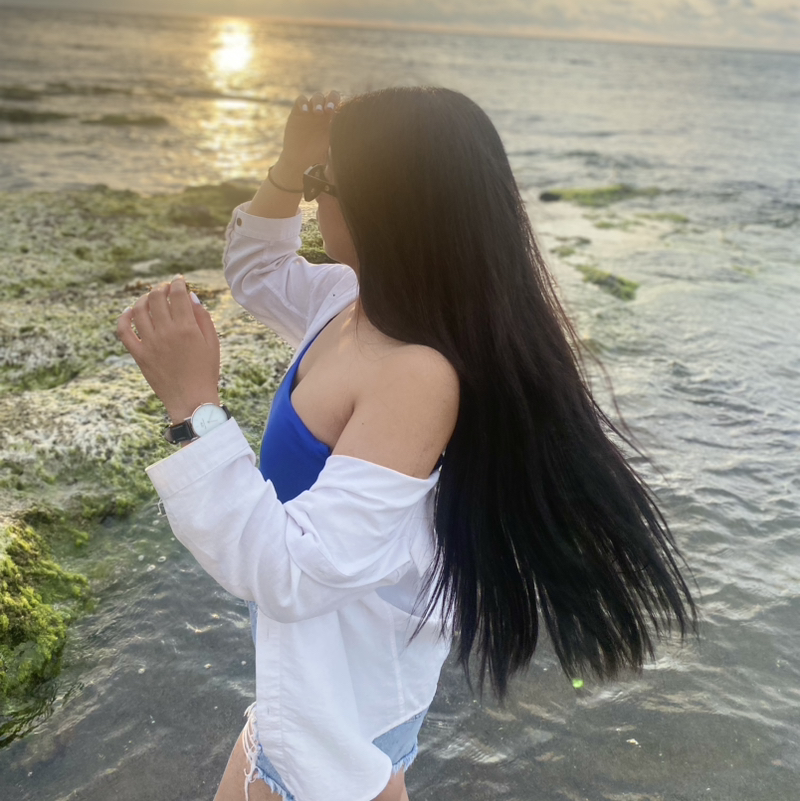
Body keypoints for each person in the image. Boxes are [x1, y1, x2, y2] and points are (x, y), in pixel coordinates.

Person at [117, 87, 697, 801]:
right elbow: (257, 270)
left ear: (386, 206)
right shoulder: (348, 301)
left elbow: (294, 571)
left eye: (324, 183)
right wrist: (293, 162)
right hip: (327, 686)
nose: (310, 199)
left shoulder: (415, 376)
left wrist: (193, 409)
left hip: (336, 711)